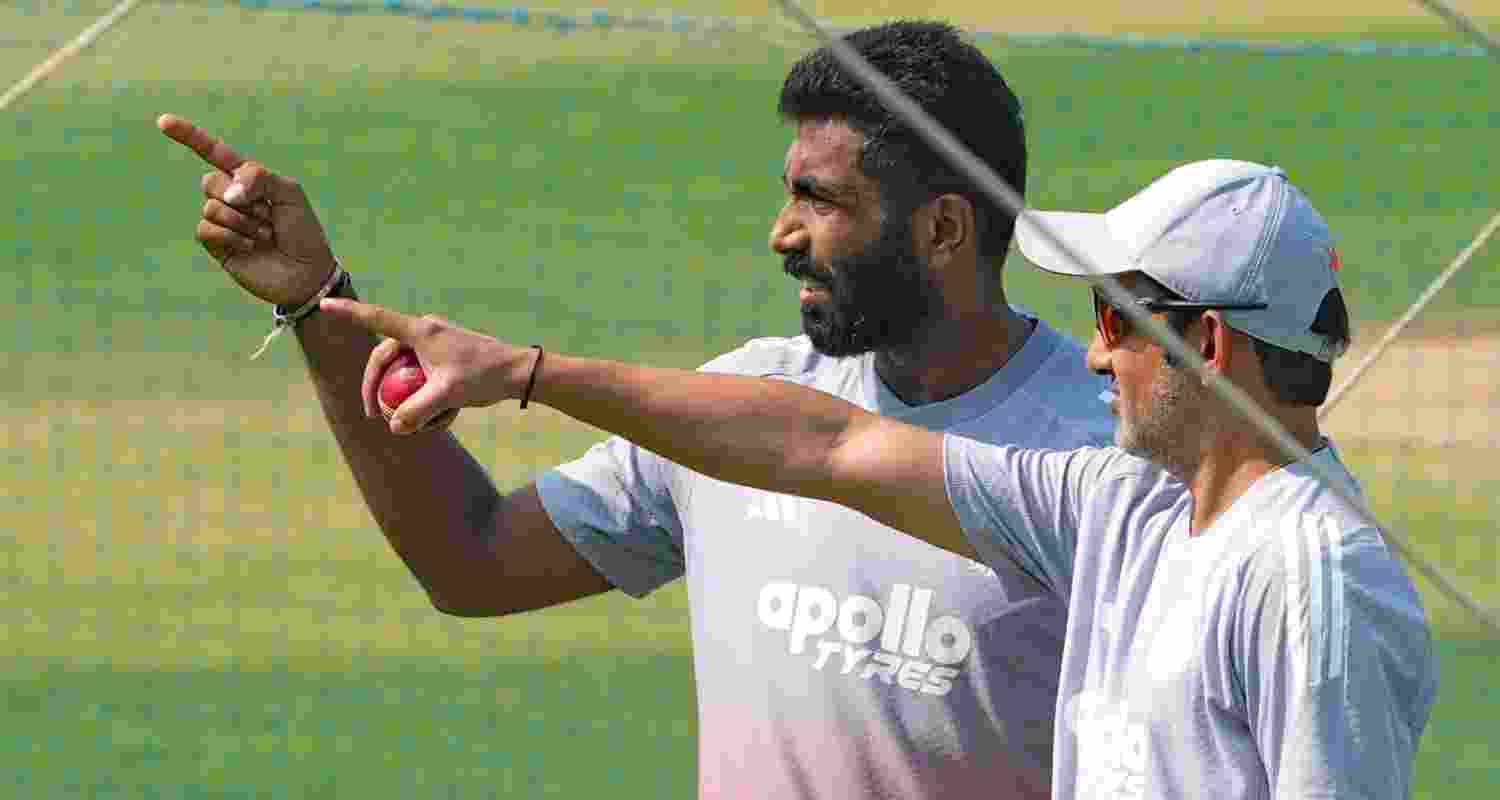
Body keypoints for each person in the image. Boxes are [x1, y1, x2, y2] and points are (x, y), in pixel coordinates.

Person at [159, 21, 1117, 799]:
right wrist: (317, 303)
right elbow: (473, 557)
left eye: (819, 200)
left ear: (942, 228)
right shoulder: (732, 403)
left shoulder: (1106, 455)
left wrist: (525, 371)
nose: (780, 233)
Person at [318, 159, 1439, 799]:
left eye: (1114, 318)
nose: (1096, 354)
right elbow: (824, 442)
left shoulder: (1312, 576)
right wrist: (527, 374)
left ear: (1210, 341)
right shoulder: (1121, 506)